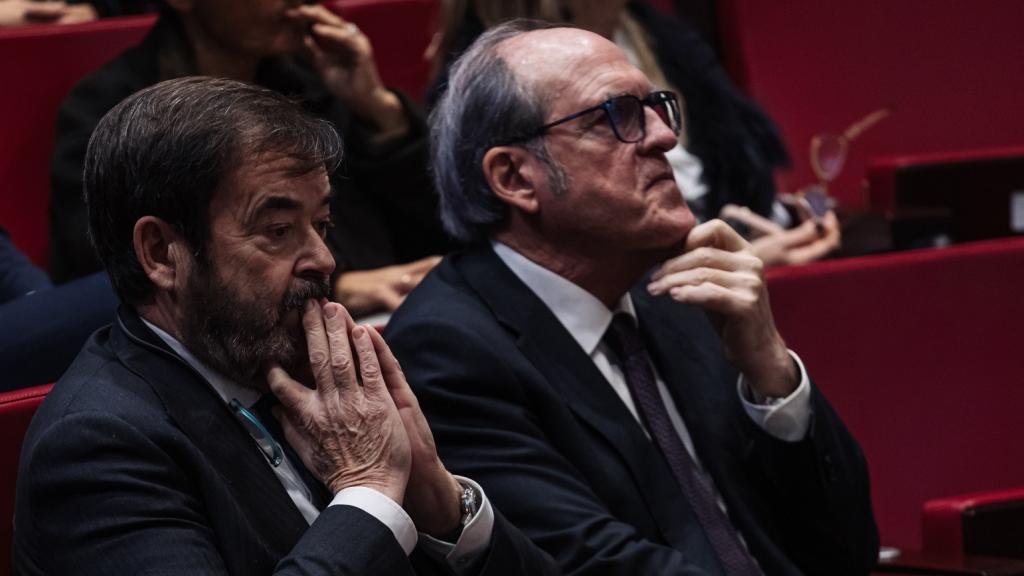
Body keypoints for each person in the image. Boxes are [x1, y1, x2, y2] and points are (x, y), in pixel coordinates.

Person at [385, 21, 878, 575]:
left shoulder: (678, 293)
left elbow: (847, 550)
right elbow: (591, 564)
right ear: (515, 177)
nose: (666, 136)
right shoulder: (447, 352)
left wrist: (771, 375)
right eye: (617, 115)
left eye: (657, 106)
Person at [15, 77, 559, 576]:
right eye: (277, 229)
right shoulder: (97, 447)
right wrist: (368, 491)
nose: (323, 259)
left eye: (320, 224)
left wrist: (439, 504)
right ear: (161, 253)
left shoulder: (308, 375)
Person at [49, 0, 447, 316]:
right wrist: (335, 284)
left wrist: (375, 108)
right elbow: (120, 277)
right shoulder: (109, 110)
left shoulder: (313, 84)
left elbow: (433, 227)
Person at [428, 0, 840, 267]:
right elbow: (569, 269)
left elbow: (740, 174)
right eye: (617, 116)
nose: (665, 137)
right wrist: (714, 264)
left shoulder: (662, 36)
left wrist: (776, 218)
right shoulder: (483, 85)